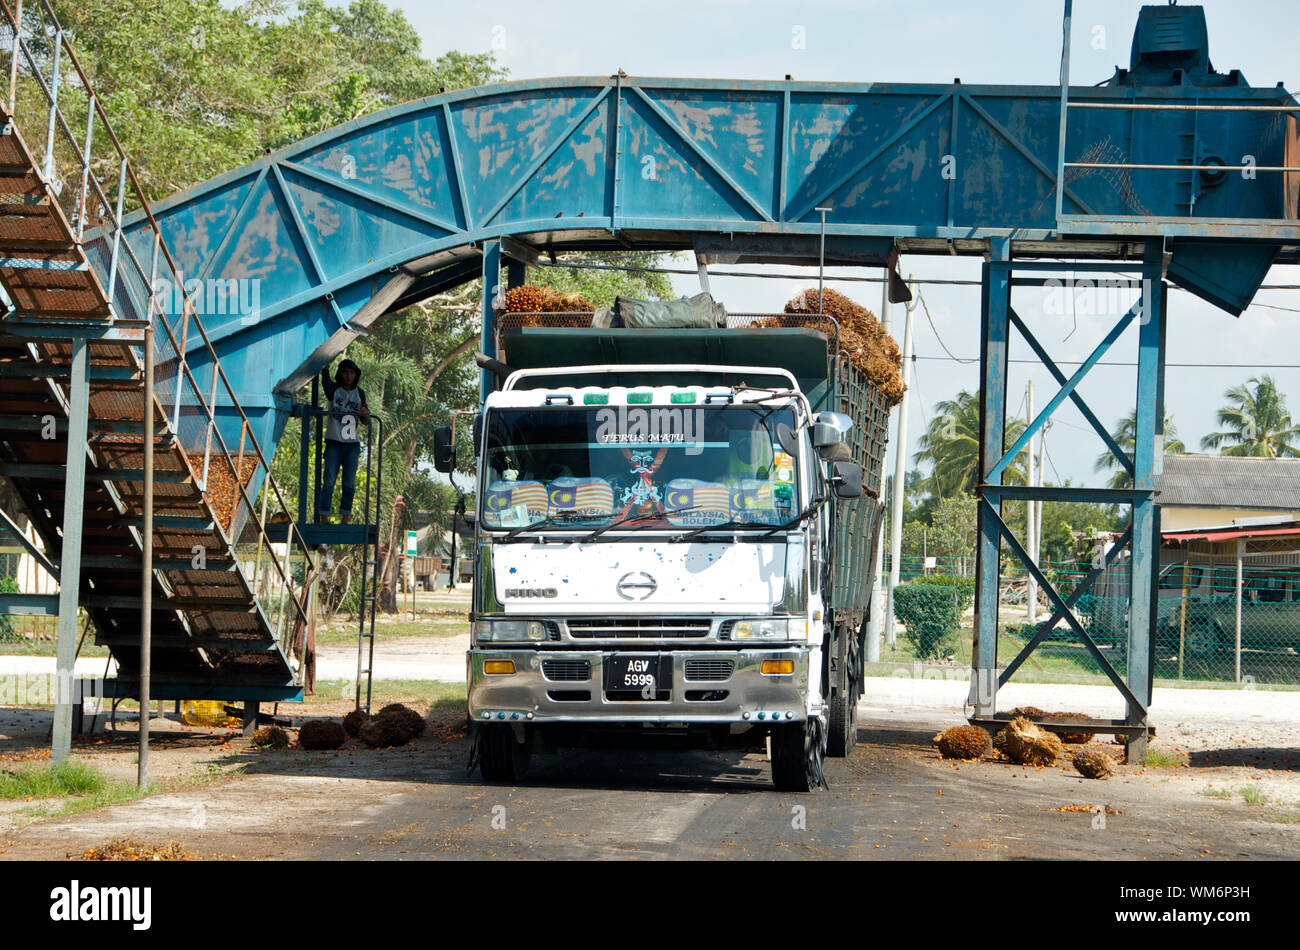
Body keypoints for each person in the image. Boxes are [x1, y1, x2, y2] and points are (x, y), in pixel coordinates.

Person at [317, 358, 369, 523]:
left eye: (352, 373)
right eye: (345, 372)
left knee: (349, 483)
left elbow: (366, 421)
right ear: (340, 373)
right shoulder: (334, 389)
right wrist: (324, 364)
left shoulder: (359, 393)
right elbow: (325, 381)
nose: (348, 376)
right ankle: (324, 516)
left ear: (356, 375)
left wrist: (365, 413)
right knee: (329, 481)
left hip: (352, 445)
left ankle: (345, 516)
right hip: (334, 442)